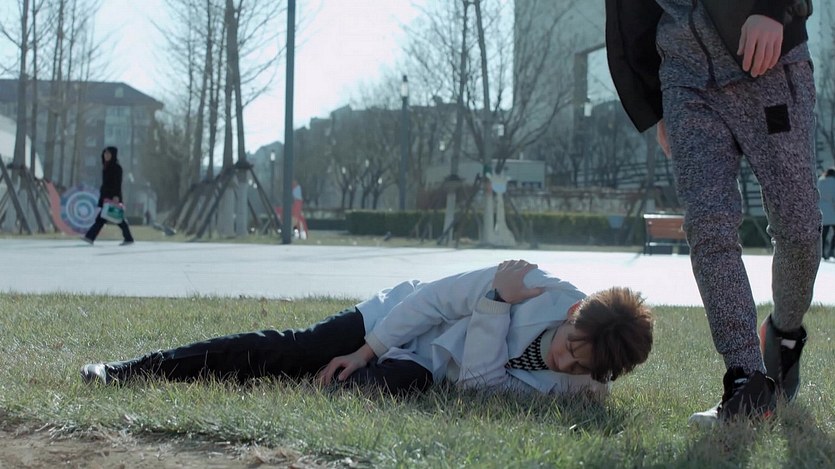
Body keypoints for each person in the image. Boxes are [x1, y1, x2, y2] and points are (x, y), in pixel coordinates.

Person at [606, 0, 816, 424]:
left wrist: (773, 9)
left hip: (766, 57)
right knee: (709, 225)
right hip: (685, 83)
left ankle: (784, 332)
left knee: (800, 228)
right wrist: (654, 103)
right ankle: (746, 379)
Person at [81, 260, 653, 397]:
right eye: (570, 349)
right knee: (297, 350)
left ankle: (309, 384)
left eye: (580, 367)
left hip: (425, 366)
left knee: (375, 387)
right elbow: (431, 300)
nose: (564, 364)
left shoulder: (586, 383)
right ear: (573, 315)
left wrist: (494, 308)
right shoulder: (528, 282)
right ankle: (133, 370)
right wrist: (364, 350)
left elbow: (479, 383)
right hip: (393, 321)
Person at [83, 146, 135, 246]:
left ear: (113, 155)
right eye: (105, 153)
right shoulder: (106, 167)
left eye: (108, 154)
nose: (106, 155)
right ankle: (128, 238)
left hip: (113, 197)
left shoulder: (116, 167)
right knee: (114, 219)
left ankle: (90, 237)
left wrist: (116, 196)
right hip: (106, 196)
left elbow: (118, 183)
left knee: (111, 219)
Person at [818, 168, 835, 260]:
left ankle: (822, 253)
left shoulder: (820, 181)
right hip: (832, 211)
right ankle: (832, 250)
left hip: (822, 210)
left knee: (823, 234)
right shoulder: (833, 182)